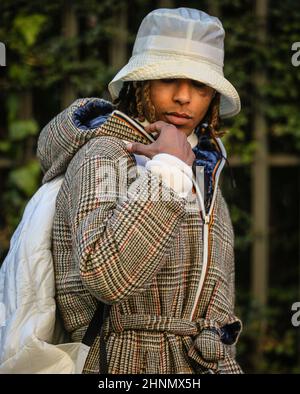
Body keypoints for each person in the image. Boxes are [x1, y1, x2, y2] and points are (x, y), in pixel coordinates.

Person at [37, 7, 243, 374]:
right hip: (125, 365)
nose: (184, 97)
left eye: (199, 85)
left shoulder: (203, 165)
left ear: (213, 96)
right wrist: (168, 173)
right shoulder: (104, 155)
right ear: (140, 82)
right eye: (168, 79)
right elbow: (107, 277)